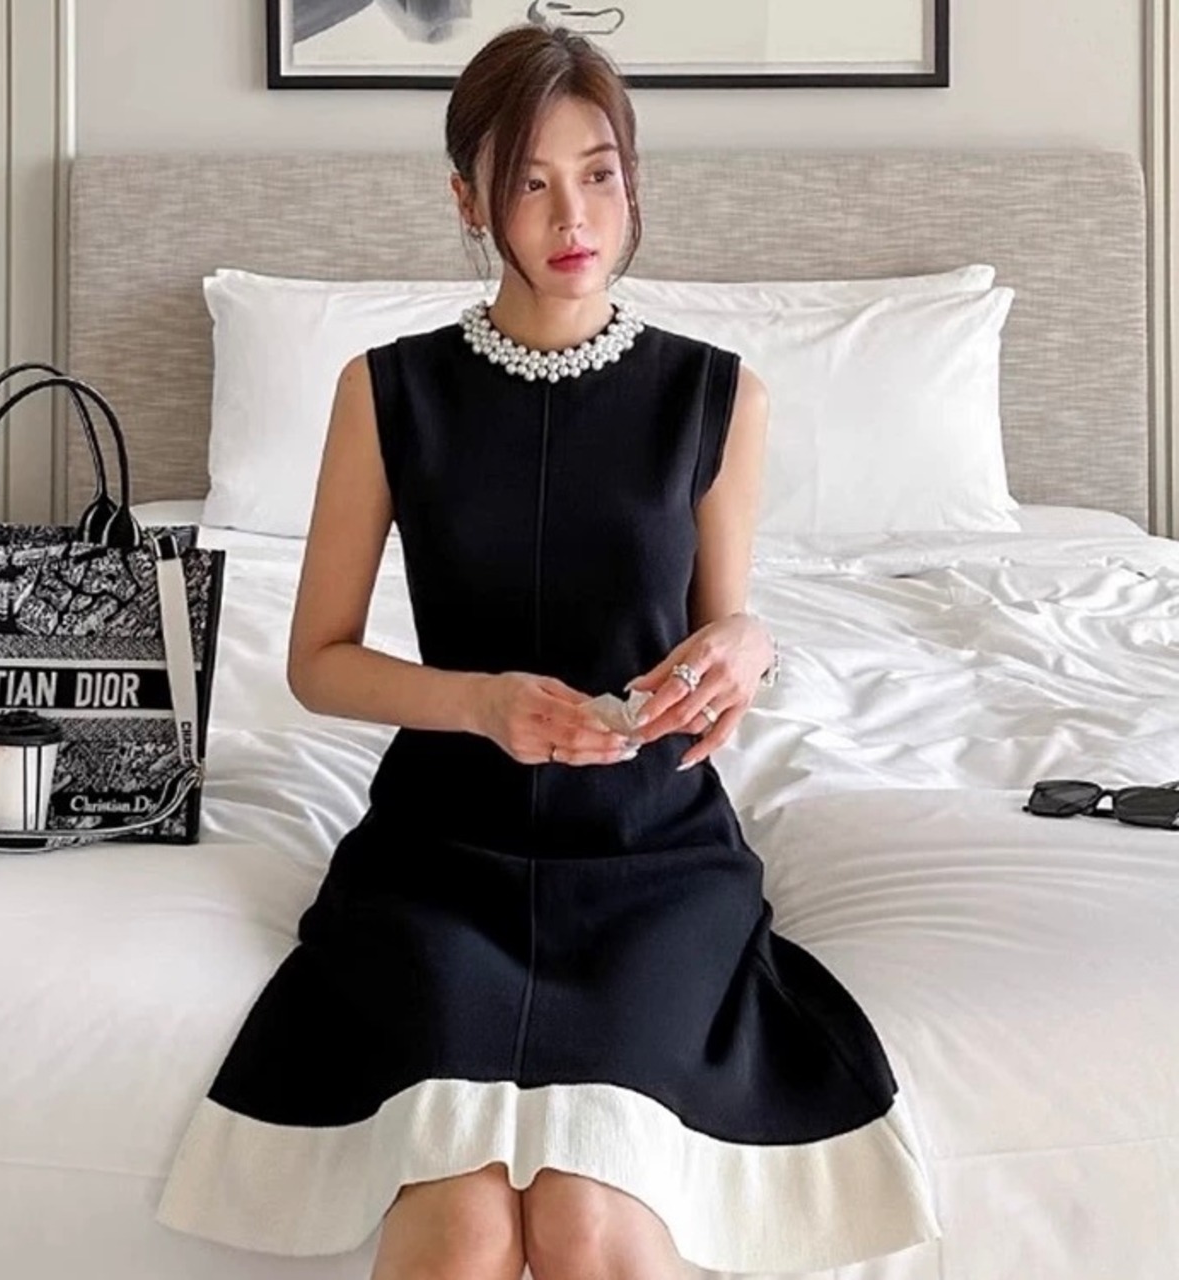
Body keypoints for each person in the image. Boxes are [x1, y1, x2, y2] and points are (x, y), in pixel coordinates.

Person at [154, 22, 943, 1280]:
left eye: (598, 174)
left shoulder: (716, 395)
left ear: (632, 182)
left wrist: (747, 644)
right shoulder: (386, 390)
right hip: (439, 855)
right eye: (528, 180)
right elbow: (318, 660)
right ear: (467, 200)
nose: (572, 215)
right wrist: (479, 702)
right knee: (458, 1225)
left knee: (588, 1217)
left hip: (650, 854)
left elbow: (716, 634)